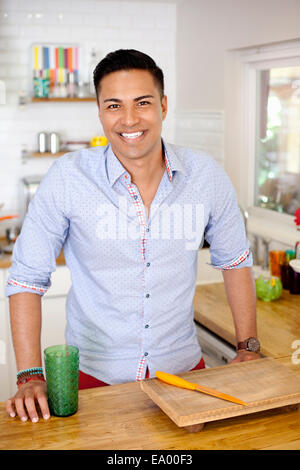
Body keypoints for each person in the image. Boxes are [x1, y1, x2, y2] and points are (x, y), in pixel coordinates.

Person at [5, 49, 260, 423]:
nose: (129, 119)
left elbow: (236, 261)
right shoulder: (67, 178)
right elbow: (26, 279)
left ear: (163, 105)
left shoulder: (206, 176)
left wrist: (248, 347)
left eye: (142, 102)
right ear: (99, 111)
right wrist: (29, 376)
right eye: (113, 105)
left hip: (185, 375)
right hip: (93, 381)